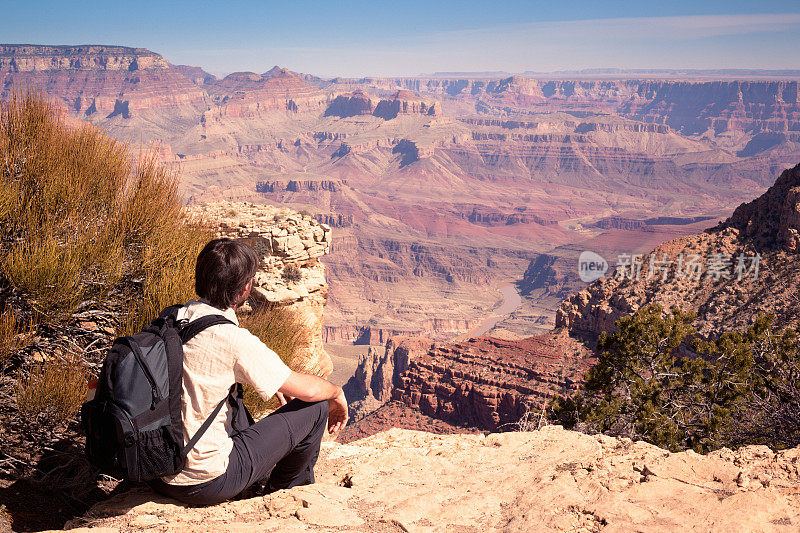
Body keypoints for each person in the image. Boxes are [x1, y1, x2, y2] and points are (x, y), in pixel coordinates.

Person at [149, 238, 348, 505]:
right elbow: (310, 390)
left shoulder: (171, 319)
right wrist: (336, 393)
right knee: (316, 408)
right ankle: (285, 494)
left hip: (157, 470)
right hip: (204, 482)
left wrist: (274, 382)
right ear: (245, 287)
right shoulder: (233, 340)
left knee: (236, 402)